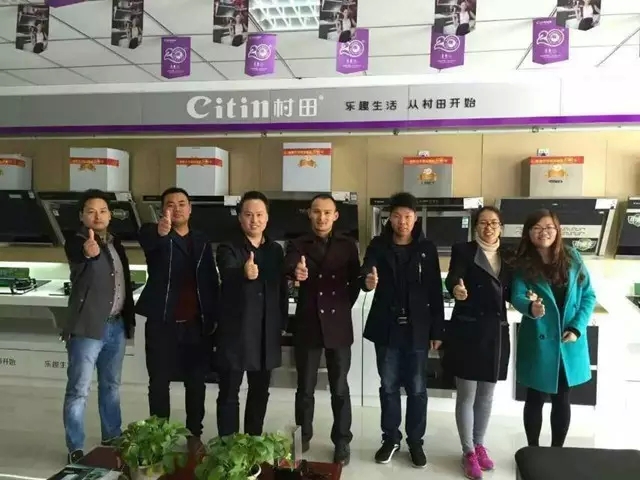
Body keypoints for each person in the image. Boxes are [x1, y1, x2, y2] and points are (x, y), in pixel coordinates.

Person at [360, 192, 444, 468]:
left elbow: (435, 291)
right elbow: (365, 271)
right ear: (389, 218)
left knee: (418, 388)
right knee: (388, 386)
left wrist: (437, 331)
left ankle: (415, 442)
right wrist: (367, 281)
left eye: (408, 216)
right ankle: (390, 439)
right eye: (397, 216)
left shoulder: (426, 249)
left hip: (418, 329)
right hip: (387, 328)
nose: (402, 221)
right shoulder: (378, 245)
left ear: (415, 218)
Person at [136, 187, 219, 447]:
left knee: (196, 383)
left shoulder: (202, 239)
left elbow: (209, 278)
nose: (177, 208)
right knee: (159, 382)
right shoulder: (152, 233)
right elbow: (151, 244)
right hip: (162, 323)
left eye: (182, 203)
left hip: (196, 324)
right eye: (170, 204)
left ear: (190, 208)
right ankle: (159, 436)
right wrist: (162, 234)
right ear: (163, 210)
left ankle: (194, 434)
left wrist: (213, 316)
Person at [284, 193, 360, 466]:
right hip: (308, 323)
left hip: (338, 325)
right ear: (309, 214)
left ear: (335, 216)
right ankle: (302, 437)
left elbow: (355, 282)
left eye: (327, 212)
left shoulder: (348, 245)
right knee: (305, 387)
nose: (322, 217)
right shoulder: (297, 244)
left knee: (340, 388)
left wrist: (342, 305)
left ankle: (342, 441)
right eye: (317, 212)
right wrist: (296, 273)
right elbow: (289, 266)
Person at [510, 209, 596, 448]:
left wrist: (577, 328)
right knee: (535, 397)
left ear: (557, 231)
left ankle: (557, 451)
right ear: (528, 233)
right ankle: (533, 450)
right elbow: (517, 295)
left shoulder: (572, 257)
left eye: (549, 227)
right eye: (537, 228)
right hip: (539, 340)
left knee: (562, 397)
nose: (544, 232)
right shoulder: (523, 262)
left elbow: (588, 295)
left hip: (567, 339)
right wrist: (531, 307)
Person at [62, 189, 135, 464]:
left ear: (110, 215)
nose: (98, 216)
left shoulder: (115, 243)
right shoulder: (78, 241)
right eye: (91, 211)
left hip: (115, 326)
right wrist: (87, 252)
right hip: (87, 328)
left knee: (111, 386)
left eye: (103, 211)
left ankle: (112, 437)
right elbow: (78, 254)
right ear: (82, 216)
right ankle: (76, 447)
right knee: (78, 390)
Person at [444, 206, 512, 480]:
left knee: (487, 395)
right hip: (468, 330)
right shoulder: (463, 250)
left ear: (501, 227)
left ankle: (480, 444)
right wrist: (456, 289)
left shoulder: (509, 255)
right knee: (467, 394)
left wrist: (530, 303)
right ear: (475, 227)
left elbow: (515, 289)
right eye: (483, 222)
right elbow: (453, 277)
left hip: (496, 331)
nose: (489, 227)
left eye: (494, 222)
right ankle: (468, 451)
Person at [215, 191, 288, 437]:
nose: (254, 220)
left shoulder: (275, 250)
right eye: (248, 215)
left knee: (260, 391)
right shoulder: (228, 247)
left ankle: (253, 441)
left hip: (266, 332)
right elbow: (226, 272)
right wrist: (243, 273)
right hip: (236, 332)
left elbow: (281, 289)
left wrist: (281, 322)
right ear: (240, 218)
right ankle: (228, 444)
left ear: (267, 218)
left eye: (259, 215)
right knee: (229, 392)